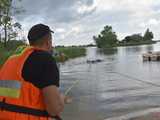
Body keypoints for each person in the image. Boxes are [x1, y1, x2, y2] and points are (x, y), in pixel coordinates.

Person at [0, 24, 69, 120]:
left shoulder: (11, 59)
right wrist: (61, 99)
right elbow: (54, 109)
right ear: (48, 42)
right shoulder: (46, 59)